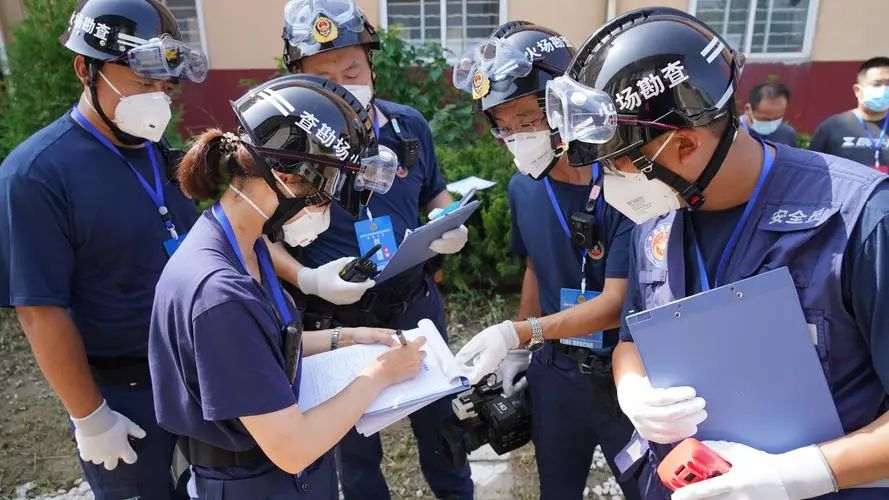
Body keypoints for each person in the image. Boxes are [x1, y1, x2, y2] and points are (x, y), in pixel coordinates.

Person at [548, 7, 889, 499]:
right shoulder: (657, 220)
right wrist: (633, 389)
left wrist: (800, 474)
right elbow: (631, 338)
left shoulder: (858, 219)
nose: (610, 184)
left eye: (619, 166)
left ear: (685, 145)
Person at [148, 74, 428, 498]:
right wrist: (380, 375)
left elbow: (262, 346)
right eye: (324, 198)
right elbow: (292, 448)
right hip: (256, 482)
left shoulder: (246, 245)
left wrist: (346, 337)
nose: (325, 213)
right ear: (285, 177)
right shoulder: (219, 295)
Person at [0, 1, 209, 497]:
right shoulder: (36, 175)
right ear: (85, 69)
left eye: (165, 87)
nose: (156, 100)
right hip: (122, 393)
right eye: (141, 83)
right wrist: (91, 416)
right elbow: (40, 311)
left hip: (197, 375)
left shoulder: (158, 152)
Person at [280, 1, 473, 499]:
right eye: (324, 78)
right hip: (338, 323)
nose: (344, 86)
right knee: (354, 453)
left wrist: (446, 222)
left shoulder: (407, 126)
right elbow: (256, 236)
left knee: (444, 432)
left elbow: (435, 191)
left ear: (371, 64)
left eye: (352, 71)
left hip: (414, 306)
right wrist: (306, 279)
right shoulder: (283, 143)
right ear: (298, 78)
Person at [450, 21, 640, 500]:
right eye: (504, 126)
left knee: (648, 487)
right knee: (557, 487)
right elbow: (536, 264)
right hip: (556, 370)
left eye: (527, 120)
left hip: (626, 369)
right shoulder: (524, 187)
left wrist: (519, 332)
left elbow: (614, 303)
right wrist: (521, 351)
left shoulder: (626, 185)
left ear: (564, 106)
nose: (517, 136)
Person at [811, 57, 889, 173]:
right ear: (858, 90)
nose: (884, 90)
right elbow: (813, 169)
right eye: (877, 84)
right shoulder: (832, 127)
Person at [740, 82, 798, 147]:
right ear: (748, 109)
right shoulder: (733, 131)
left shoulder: (787, 134)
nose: (771, 124)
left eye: (777, 119)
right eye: (765, 119)